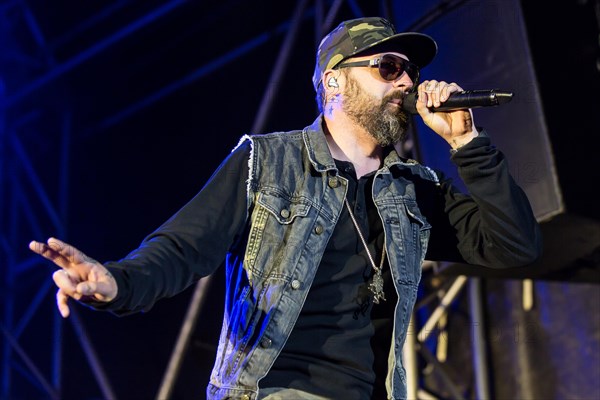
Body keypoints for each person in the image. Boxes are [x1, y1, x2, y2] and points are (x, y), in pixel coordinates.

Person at [29, 16, 542, 400]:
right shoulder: (267, 161)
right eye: (389, 68)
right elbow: (183, 248)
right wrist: (116, 282)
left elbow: (515, 244)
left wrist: (468, 143)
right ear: (335, 82)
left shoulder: (416, 189)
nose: (407, 83)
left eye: (410, 71)